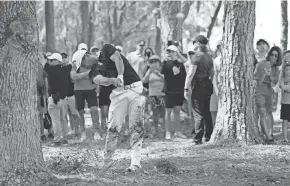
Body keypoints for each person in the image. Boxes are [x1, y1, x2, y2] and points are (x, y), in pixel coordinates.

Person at [89, 44, 146, 172]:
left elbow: (118, 59)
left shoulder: (105, 49)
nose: (85, 66)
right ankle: (107, 162)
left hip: (135, 89)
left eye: (84, 61)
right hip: (117, 94)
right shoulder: (92, 70)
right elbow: (100, 80)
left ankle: (135, 163)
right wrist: (111, 80)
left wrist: (120, 76)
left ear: (88, 55)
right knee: (113, 128)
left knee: (136, 126)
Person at [184, 35, 214, 145]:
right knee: (206, 111)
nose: (193, 45)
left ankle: (197, 138)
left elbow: (190, 73)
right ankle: (208, 135)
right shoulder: (209, 56)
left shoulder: (197, 56)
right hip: (207, 83)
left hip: (198, 85)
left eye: (194, 42)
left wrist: (186, 88)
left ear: (198, 43)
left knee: (197, 112)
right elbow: (212, 73)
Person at [70, 50, 102, 141]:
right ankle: (83, 132)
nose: (87, 57)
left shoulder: (93, 65)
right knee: (80, 112)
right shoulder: (76, 65)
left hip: (91, 90)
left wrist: (80, 75)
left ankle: (96, 131)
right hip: (78, 90)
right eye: (85, 56)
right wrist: (87, 73)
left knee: (94, 109)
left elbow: (94, 76)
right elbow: (73, 77)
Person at [45, 53, 73, 145]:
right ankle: (64, 138)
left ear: (57, 61)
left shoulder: (49, 69)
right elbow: (69, 65)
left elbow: (45, 64)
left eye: (52, 60)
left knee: (56, 120)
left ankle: (57, 140)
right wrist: (63, 63)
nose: (50, 61)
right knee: (63, 119)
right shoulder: (66, 69)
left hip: (54, 98)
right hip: (63, 98)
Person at [161, 45, 187, 139]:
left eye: (172, 51)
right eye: (169, 51)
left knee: (177, 111)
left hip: (178, 90)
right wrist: (165, 58)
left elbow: (186, 65)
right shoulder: (166, 63)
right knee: (168, 111)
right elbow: (162, 71)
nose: (170, 53)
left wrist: (178, 53)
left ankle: (177, 131)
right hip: (169, 91)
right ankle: (167, 132)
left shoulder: (180, 63)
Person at [142, 55, 165, 138]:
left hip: (162, 94)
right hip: (152, 94)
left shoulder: (162, 69)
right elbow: (144, 81)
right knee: (155, 114)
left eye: (156, 61)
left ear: (159, 62)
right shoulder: (149, 70)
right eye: (152, 61)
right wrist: (149, 72)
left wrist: (158, 74)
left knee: (163, 113)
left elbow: (167, 79)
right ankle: (156, 130)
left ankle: (164, 130)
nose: (154, 63)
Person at [210, 41, 222, 126]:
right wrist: (216, 90)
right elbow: (214, 76)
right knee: (213, 110)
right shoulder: (216, 60)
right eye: (219, 46)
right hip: (217, 87)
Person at [279, 57, 290, 144]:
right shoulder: (282, 80)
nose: (288, 71)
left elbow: (286, 88)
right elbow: (282, 87)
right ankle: (285, 138)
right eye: (286, 69)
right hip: (285, 103)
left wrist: (285, 88)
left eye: (289, 69)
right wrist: (285, 87)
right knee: (285, 121)